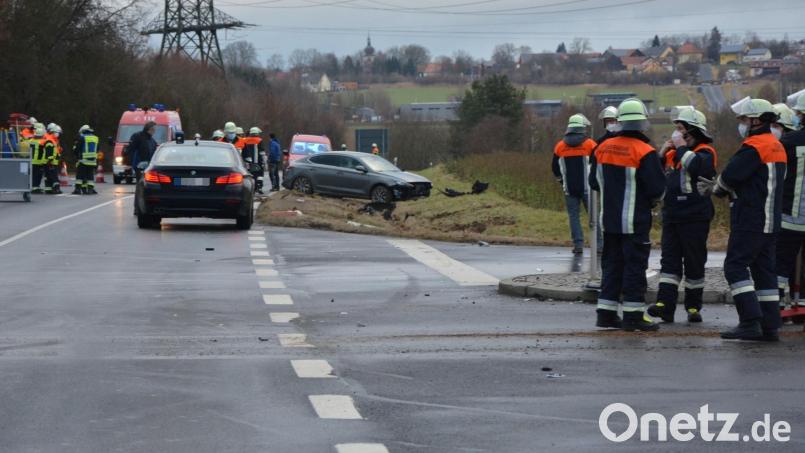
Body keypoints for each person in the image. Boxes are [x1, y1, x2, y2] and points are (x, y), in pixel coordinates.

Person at [700, 98, 786, 341]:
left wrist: (716, 189)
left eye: (743, 120)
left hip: (751, 218)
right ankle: (770, 326)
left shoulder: (754, 147)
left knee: (735, 266)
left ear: (756, 120)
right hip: (770, 221)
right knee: (764, 272)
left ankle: (750, 321)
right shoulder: (776, 146)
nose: (741, 124)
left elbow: (730, 177)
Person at [589, 98, 666, 332]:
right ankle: (634, 315)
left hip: (609, 221)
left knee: (611, 266)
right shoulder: (645, 151)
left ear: (620, 123)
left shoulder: (602, 148)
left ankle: (606, 314)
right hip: (635, 221)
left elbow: (593, 182)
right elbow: (657, 189)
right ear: (643, 124)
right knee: (634, 269)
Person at [648, 107, 716, 323]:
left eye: (680, 129)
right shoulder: (672, 153)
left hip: (695, 216)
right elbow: (657, 176)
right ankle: (664, 305)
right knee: (669, 262)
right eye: (675, 129)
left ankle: (693, 307)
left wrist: (680, 149)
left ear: (692, 132)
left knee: (694, 262)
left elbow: (698, 168)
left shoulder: (706, 152)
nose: (675, 133)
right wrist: (661, 154)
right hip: (672, 216)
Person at [774, 96, 805, 310]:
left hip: (790, 215)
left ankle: (776, 304)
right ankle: (802, 301)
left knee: (781, 262)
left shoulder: (788, 142)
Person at [551, 113, 598, 254]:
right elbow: (598, 164)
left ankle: (578, 245)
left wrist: (562, 181)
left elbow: (554, 167)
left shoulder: (560, 146)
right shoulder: (590, 144)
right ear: (582, 128)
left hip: (569, 188)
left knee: (574, 216)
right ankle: (600, 245)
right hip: (588, 188)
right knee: (594, 217)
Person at [72, 125, 100, 194]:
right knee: (90, 175)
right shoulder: (96, 138)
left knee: (80, 176)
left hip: (83, 160)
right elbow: (97, 149)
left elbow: (77, 149)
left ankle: (78, 189)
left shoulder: (82, 138)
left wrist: (75, 152)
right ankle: (90, 189)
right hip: (93, 161)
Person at [242, 127, 267, 193]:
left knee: (250, 175)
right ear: (257, 133)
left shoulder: (245, 140)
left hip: (247, 162)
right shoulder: (259, 140)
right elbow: (262, 152)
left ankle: (251, 188)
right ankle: (259, 187)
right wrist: (265, 162)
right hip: (257, 161)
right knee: (259, 175)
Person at [43, 123, 63, 194]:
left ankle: (49, 189)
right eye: (58, 133)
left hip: (50, 161)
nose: (59, 135)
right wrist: (50, 160)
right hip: (50, 162)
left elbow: (55, 151)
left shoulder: (53, 139)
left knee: (48, 176)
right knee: (54, 177)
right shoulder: (50, 139)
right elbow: (49, 152)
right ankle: (56, 189)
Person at [29, 124, 48, 193]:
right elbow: (45, 152)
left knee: (32, 175)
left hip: (31, 161)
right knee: (38, 176)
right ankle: (35, 188)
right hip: (39, 162)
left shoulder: (31, 141)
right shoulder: (43, 142)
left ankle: (33, 187)